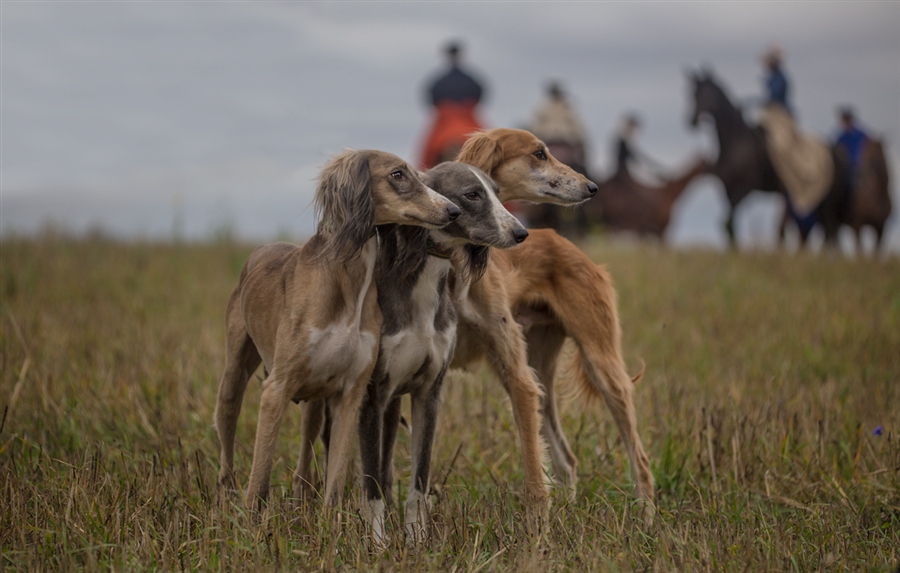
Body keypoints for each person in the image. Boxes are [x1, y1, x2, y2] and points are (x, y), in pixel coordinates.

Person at [419, 41, 486, 169]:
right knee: (487, 143)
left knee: (429, 151)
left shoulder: (439, 81)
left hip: (447, 119)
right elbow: (480, 93)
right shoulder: (471, 79)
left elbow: (431, 99)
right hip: (466, 117)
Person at [528, 81, 589, 172]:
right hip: (548, 144)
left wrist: (578, 141)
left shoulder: (567, 108)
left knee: (580, 167)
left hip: (565, 144)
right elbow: (535, 127)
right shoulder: (543, 108)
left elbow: (577, 128)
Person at [612, 114, 665, 180]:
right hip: (624, 173)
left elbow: (637, 157)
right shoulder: (622, 143)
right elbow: (633, 158)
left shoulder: (626, 143)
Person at [834, 106, 869, 186]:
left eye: (847, 120)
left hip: (862, 166)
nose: (846, 123)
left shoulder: (861, 135)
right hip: (847, 169)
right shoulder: (841, 137)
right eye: (844, 120)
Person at [761, 45, 791, 114]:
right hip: (772, 109)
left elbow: (776, 94)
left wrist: (769, 102)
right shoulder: (772, 78)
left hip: (779, 110)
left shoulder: (779, 78)